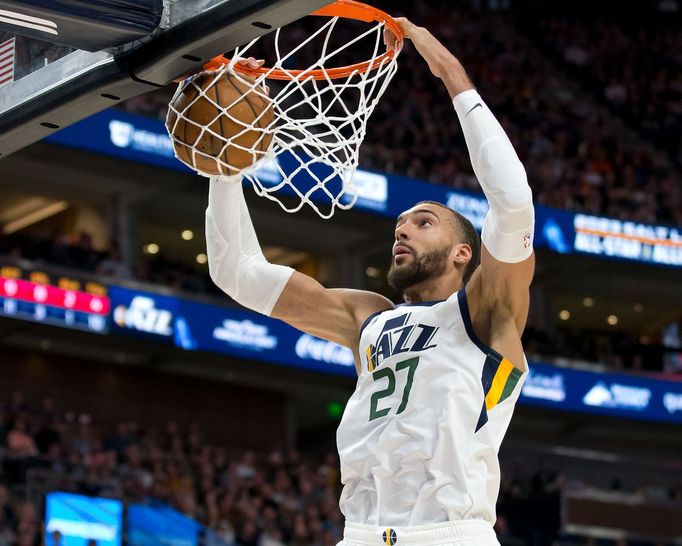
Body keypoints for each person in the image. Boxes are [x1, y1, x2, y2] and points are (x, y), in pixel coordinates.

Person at [204, 16, 534, 546]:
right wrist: (224, 167)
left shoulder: (486, 312)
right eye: (399, 225)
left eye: (423, 223)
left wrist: (452, 75)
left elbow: (514, 203)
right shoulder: (368, 318)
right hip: (361, 534)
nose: (402, 230)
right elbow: (237, 272)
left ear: (462, 253)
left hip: (451, 534)